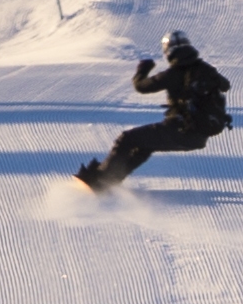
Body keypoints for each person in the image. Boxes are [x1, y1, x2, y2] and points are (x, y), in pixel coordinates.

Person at [74, 30, 231, 192]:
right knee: (144, 145)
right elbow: (225, 85)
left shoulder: (174, 73)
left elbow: (141, 86)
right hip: (199, 137)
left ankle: (101, 179)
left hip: (180, 130)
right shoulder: (206, 69)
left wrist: (143, 69)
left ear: (168, 51)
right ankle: (110, 181)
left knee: (127, 138)